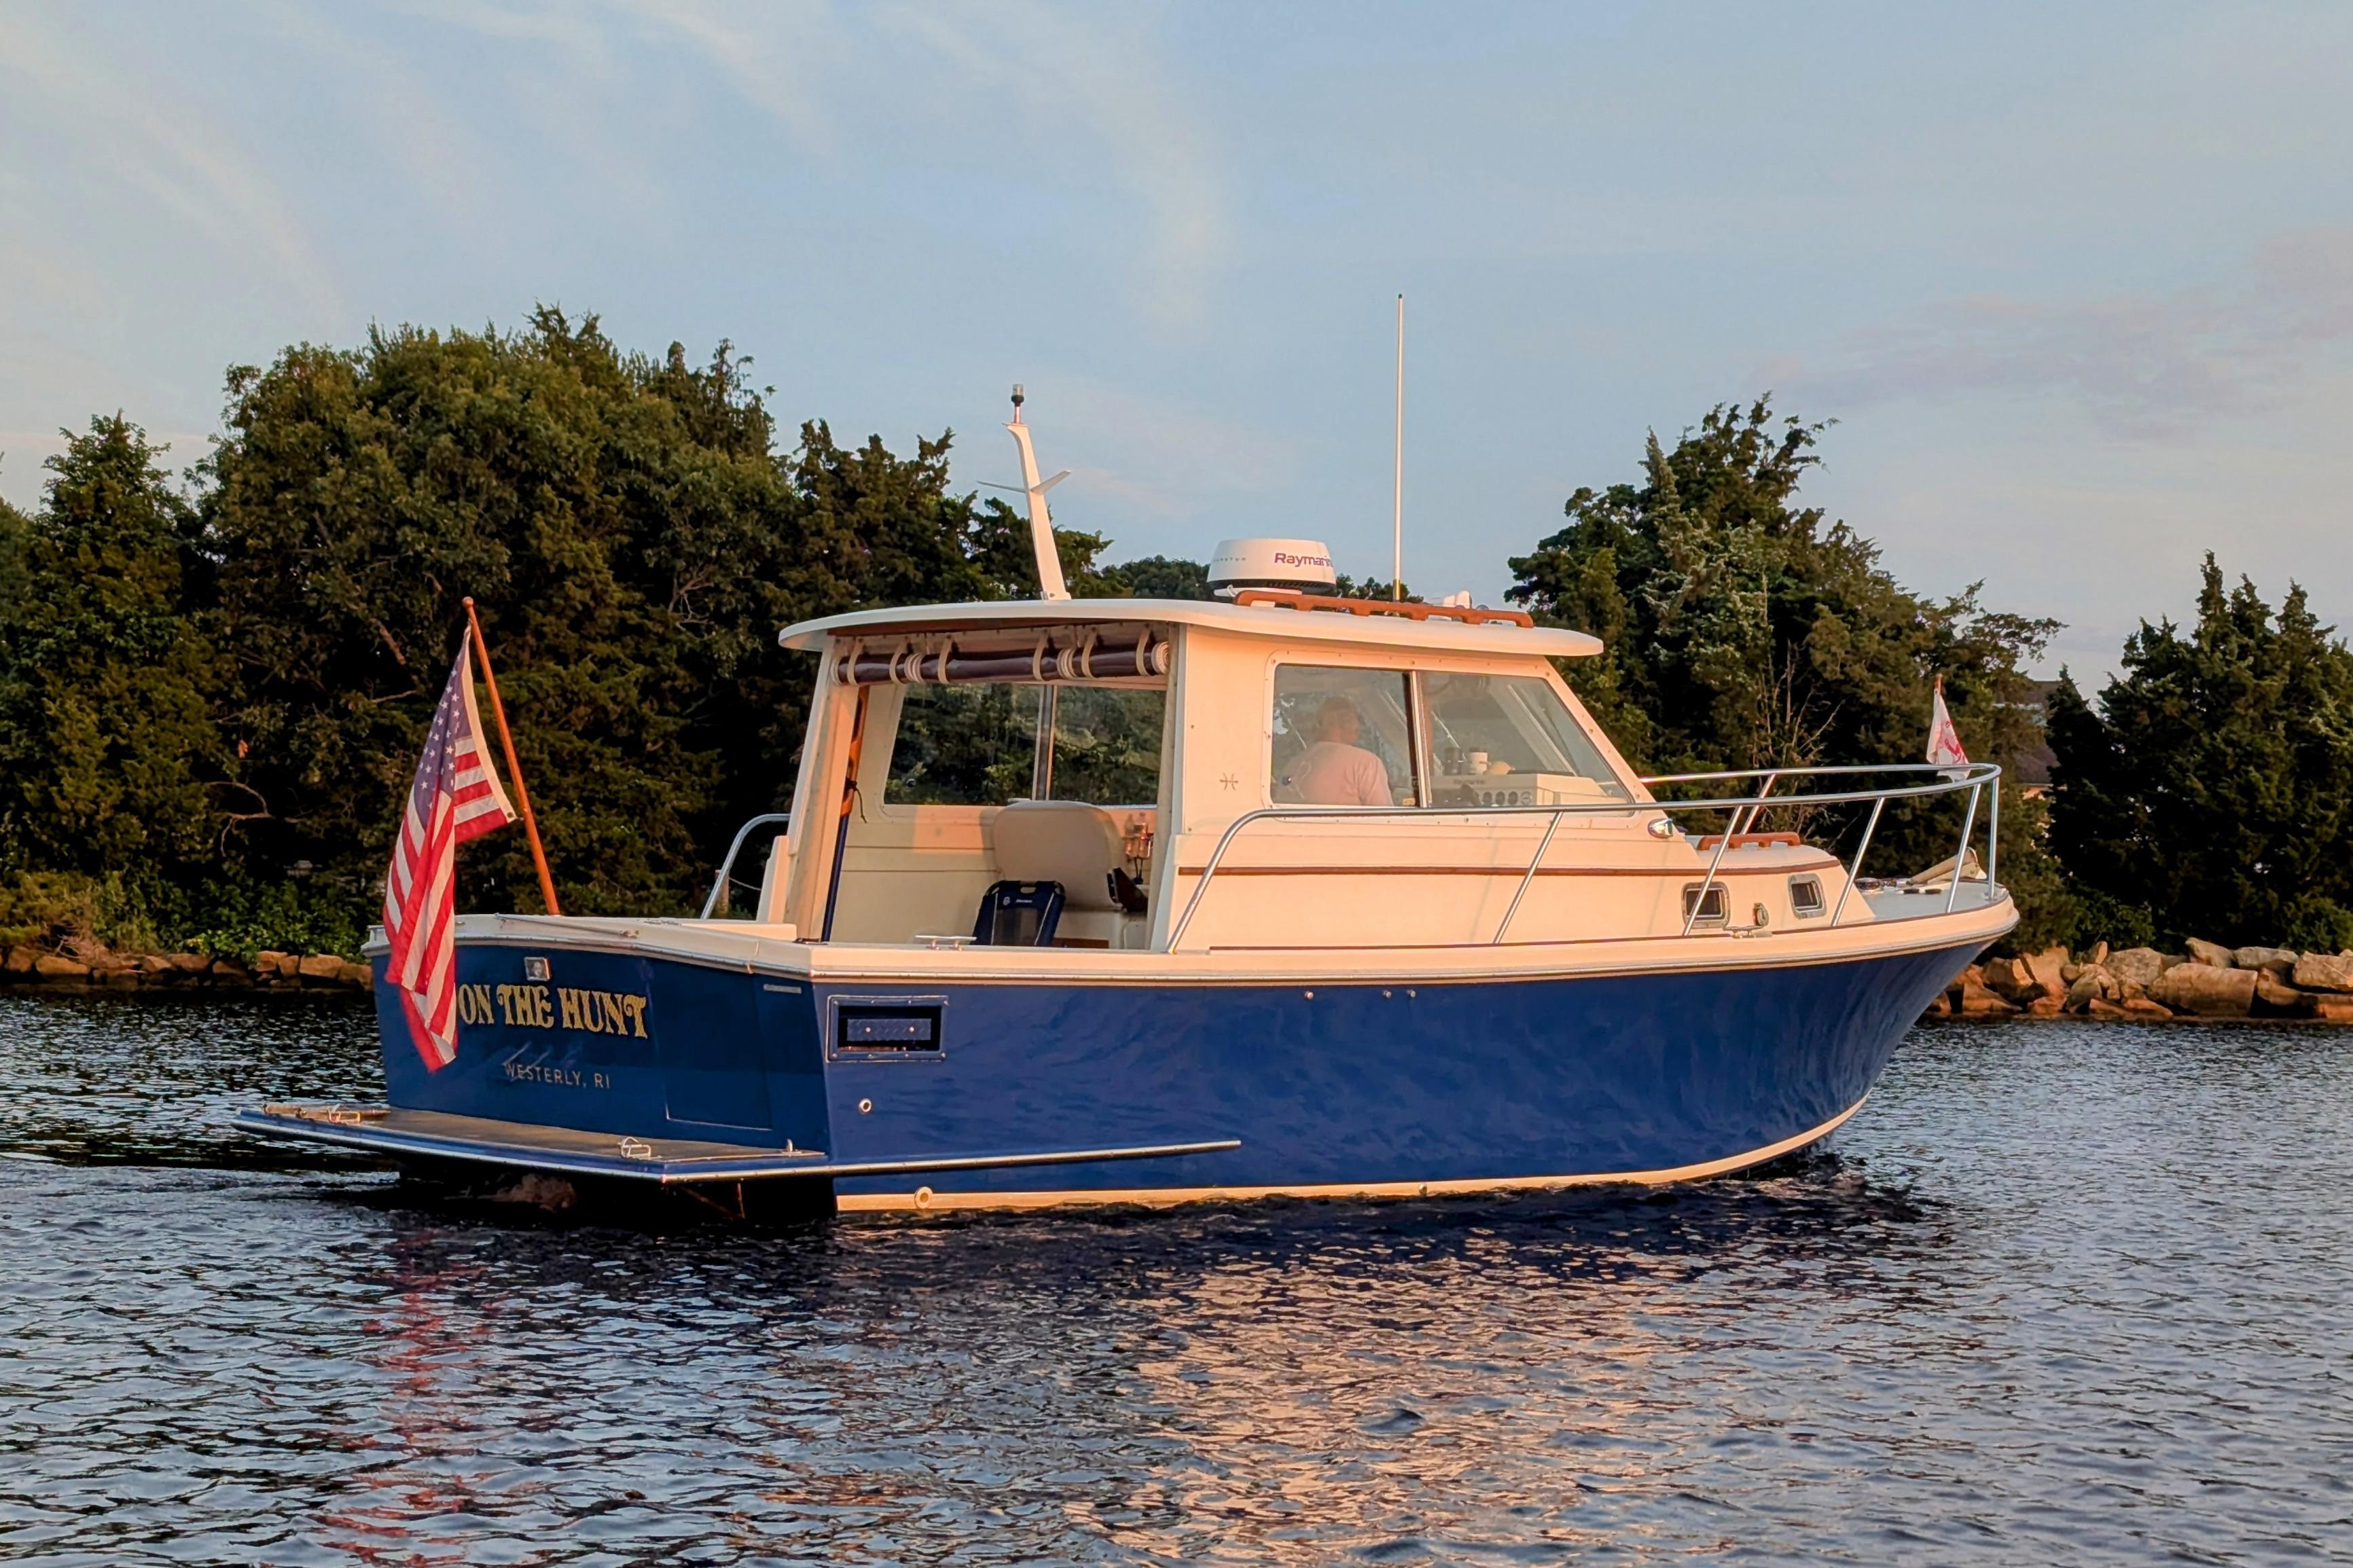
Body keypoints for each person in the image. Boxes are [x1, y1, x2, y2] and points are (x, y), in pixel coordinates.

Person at [1282, 696, 1394, 806]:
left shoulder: (1292, 766)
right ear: (1348, 724)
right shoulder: (1365, 763)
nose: (1359, 728)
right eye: (1358, 720)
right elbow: (1387, 819)